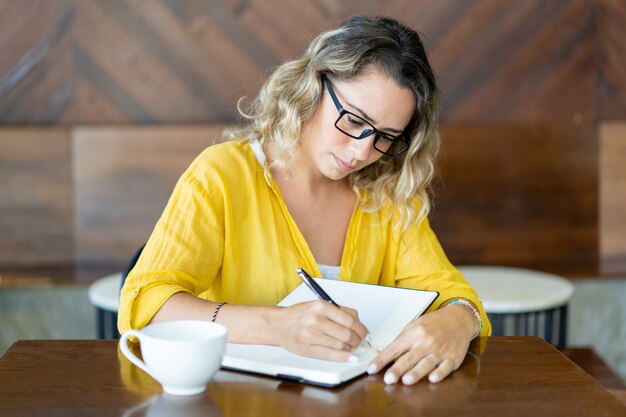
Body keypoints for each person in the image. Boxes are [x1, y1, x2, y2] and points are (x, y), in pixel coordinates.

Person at [118, 15, 491, 386]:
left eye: (386, 136)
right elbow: (145, 303)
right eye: (353, 119)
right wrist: (276, 325)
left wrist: (459, 320)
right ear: (312, 85)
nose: (362, 151)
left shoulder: (388, 194)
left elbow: (455, 295)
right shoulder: (222, 175)